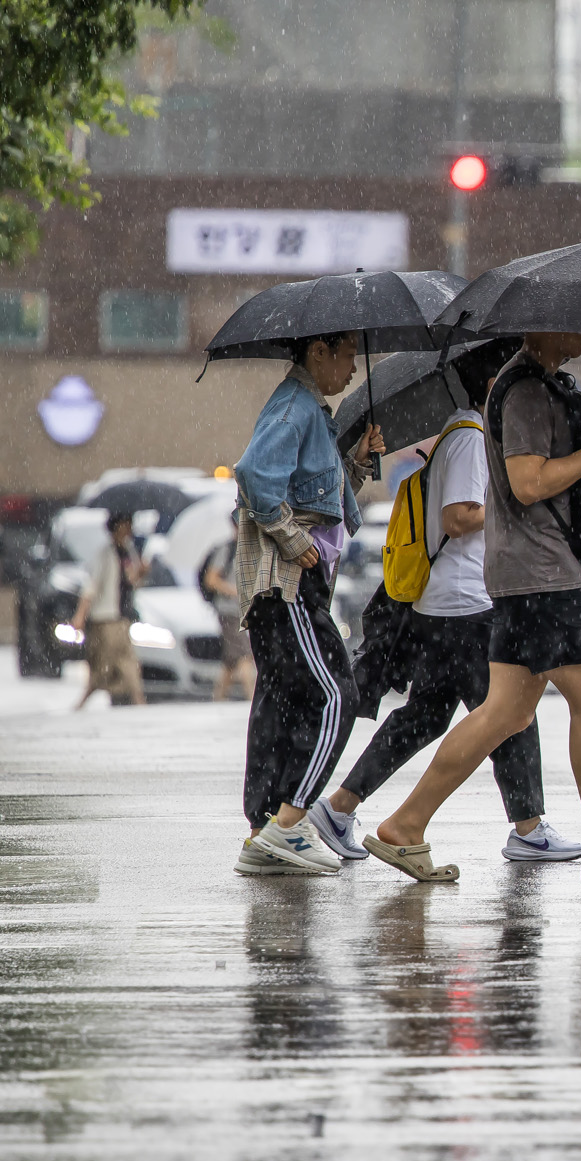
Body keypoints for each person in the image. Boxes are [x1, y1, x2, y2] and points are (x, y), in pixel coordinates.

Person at [366, 331, 581, 885]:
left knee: (507, 711)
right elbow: (526, 483)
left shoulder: (532, 385)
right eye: (574, 322)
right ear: (542, 324)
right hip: (541, 574)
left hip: (525, 572)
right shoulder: (522, 392)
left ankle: (406, 824)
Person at [306, 343, 581, 867]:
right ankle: (528, 829)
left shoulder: (465, 434)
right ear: (491, 383)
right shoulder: (469, 437)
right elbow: (459, 516)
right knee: (512, 712)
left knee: (426, 716)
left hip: (449, 604)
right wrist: (508, 508)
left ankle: (340, 808)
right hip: (466, 605)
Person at [230, 332, 386, 876]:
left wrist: (358, 464)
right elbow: (253, 476)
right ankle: (291, 823)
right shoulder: (295, 407)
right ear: (317, 350)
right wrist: (293, 540)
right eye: (345, 356)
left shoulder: (313, 413)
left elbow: (323, 495)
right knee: (336, 693)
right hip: (289, 584)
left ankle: (265, 828)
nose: (351, 369)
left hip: (295, 586)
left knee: (284, 699)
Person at [70, 510, 146, 710]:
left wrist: (141, 573)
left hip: (121, 616)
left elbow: (130, 582)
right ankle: (135, 699)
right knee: (109, 665)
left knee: (124, 662)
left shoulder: (129, 551)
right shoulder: (105, 554)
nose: (127, 530)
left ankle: (136, 699)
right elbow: (91, 587)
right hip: (106, 618)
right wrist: (80, 616)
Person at [201, 524, 256, 702]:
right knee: (244, 655)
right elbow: (211, 579)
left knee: (230, 661)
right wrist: (234, 591)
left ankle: (218, 698)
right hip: (229, 610)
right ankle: (253, 698)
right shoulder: (227, 549)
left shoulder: (252, 549)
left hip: (243, 611)